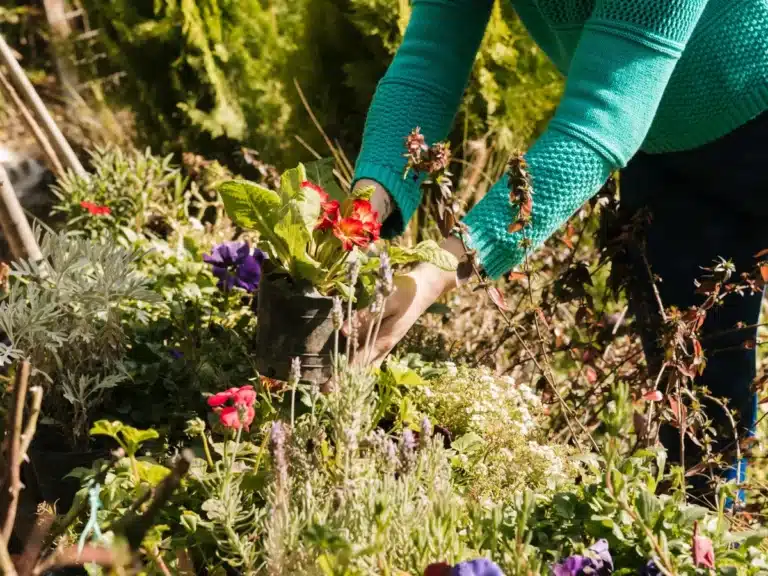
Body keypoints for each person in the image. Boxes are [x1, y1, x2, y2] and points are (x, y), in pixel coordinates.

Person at [349, 0, 768, 496]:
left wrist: (437, 272)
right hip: (665, 146)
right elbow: (428, 60)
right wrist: (356, 218)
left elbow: (601, 117)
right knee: (695, 417)